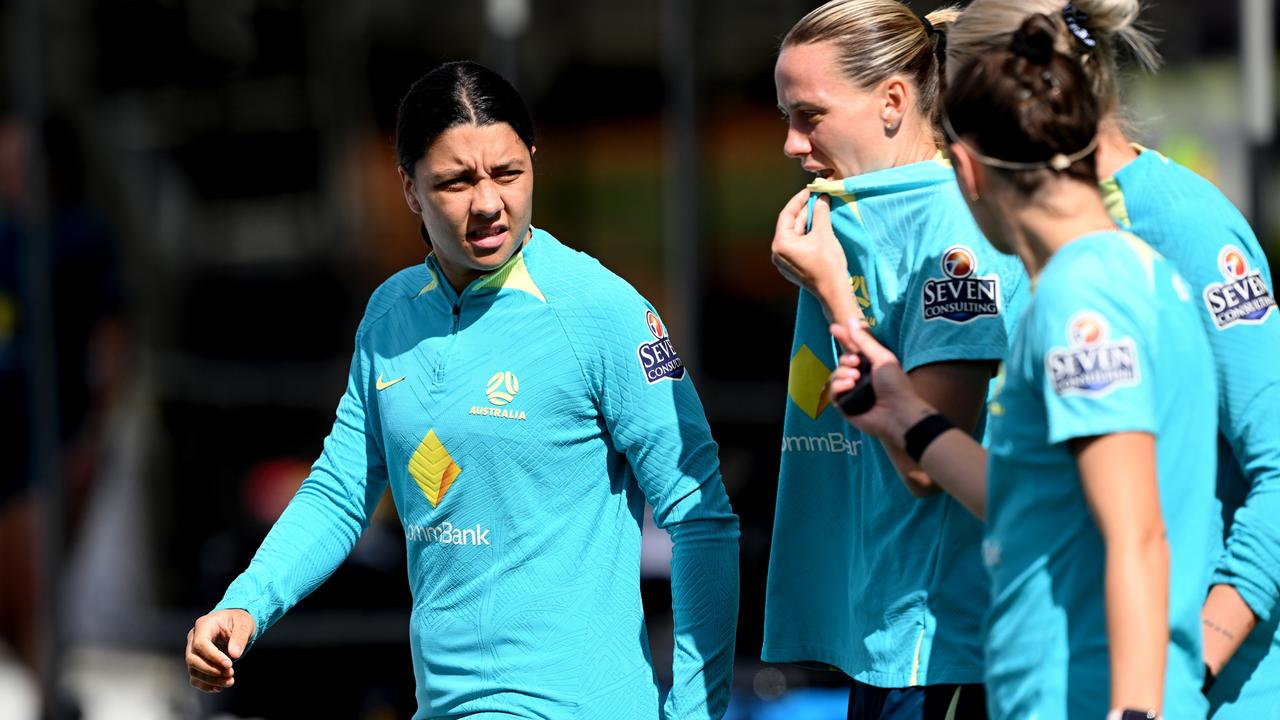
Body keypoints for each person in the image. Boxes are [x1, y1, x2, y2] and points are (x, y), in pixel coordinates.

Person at [183, 61, 740, 720]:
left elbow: (700, 515)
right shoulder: (391, 316)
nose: (487, 203)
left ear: (534, 161)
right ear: (410, 188)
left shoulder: (602, 310)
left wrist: (697, 710)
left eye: (508, 173)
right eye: (455, 181)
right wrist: (247, 601)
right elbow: (339, 491)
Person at [823, 14, 1217, 718]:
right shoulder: (1129, 271)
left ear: (966, 170)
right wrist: (907, 417)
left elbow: (1136, 534)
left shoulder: (1080, 300)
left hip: (1086, 698)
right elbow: (1030, 498)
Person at [947, 2, 1280, 715]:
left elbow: (1274, 473)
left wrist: (1186, 668)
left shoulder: (1164, 235)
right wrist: (907, 420)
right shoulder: (1064, 246)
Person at [763, 1, 1028, 717]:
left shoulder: (953, 231)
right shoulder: (845, 215)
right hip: (881, 632)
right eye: (785, 115)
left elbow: (923, 461)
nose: (791, 143)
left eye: (809, 115)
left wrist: (831, 292)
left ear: (891, 101)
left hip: (941, 643)